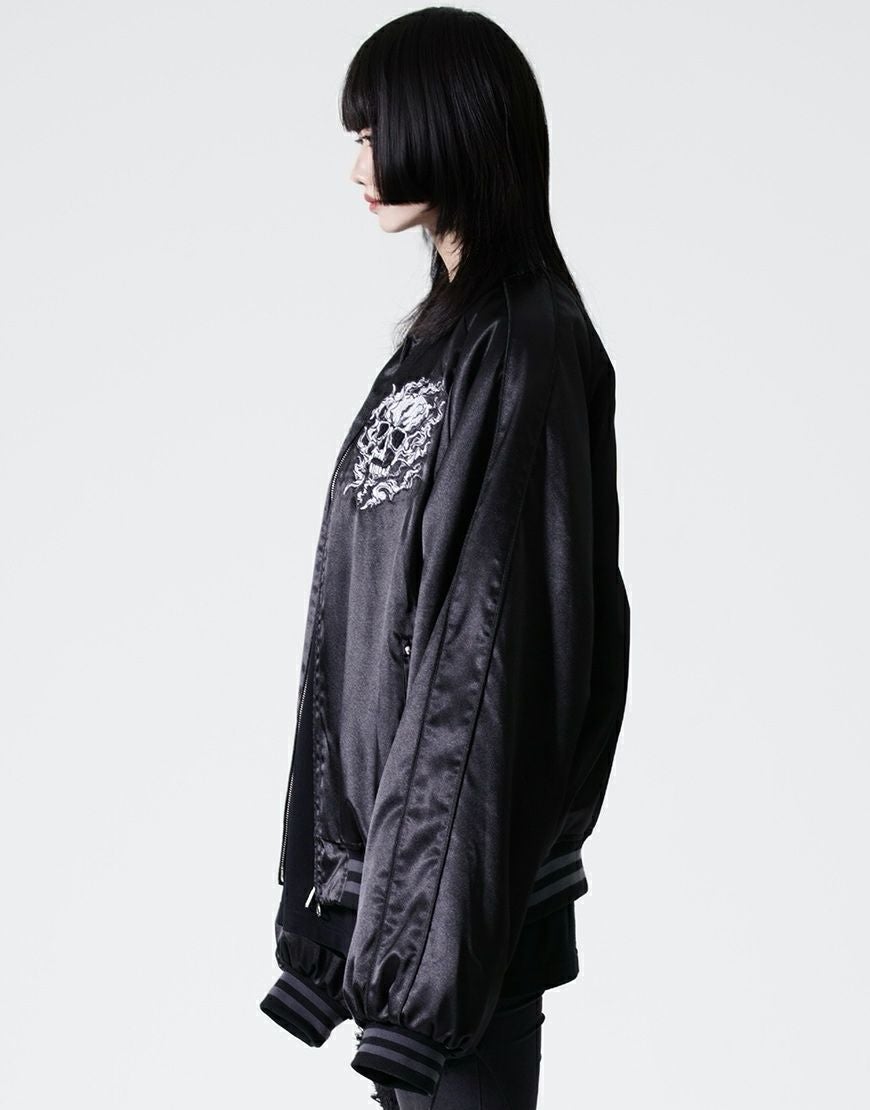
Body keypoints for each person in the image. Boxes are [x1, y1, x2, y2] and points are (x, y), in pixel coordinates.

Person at [259, 8, 630, 1108]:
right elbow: (365, 628)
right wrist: (343, 916)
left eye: (377, 132)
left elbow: (485, 667)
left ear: (453, 128)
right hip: (410, 903)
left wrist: (419, 951)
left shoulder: (522, 347)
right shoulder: (443, 341)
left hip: (463, 916)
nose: (357, 165)